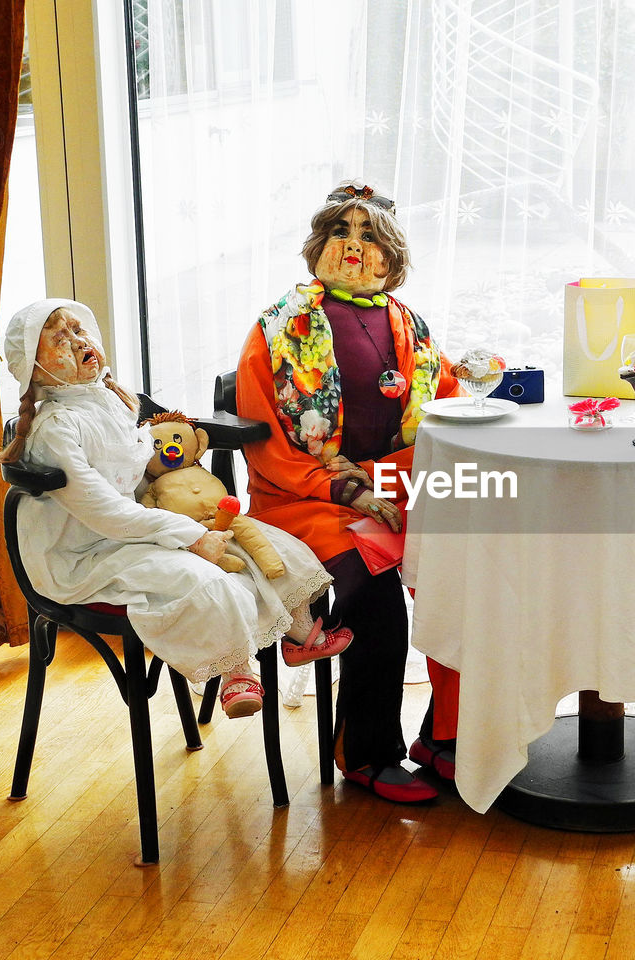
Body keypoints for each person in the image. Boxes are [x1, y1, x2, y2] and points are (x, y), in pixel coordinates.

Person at [0, 299, 343, 718]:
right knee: (206, 580)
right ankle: (236, 670)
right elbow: (104, 511)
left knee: (268, 544)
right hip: (84, 554)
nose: (76, 340)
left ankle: (296, 632)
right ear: (33, 365)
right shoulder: (56, 428)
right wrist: (191, 535)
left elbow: (138, 458)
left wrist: (180, 496)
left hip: (132, 531)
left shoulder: (110, 400)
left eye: (77, 330)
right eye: (59, 338)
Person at [236, 181, 461, 804]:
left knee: (467, 567)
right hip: (304, 497)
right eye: (340, 231)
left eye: (369, 234)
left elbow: (443, 410)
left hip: (395, 480)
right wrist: (347, 489)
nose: (353, 245)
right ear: (317, 248)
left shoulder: (409, 322)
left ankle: (444, 735)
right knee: (372, 590)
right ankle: (366, 751)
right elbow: (269, 446)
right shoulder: (280, 327)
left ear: (393, 257)